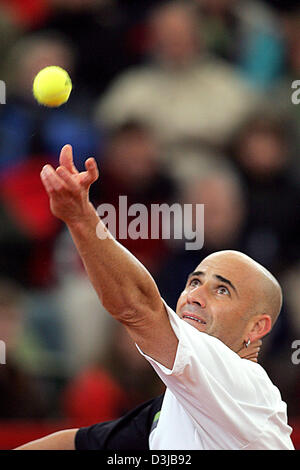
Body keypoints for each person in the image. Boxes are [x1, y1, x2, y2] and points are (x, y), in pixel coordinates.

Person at [16, 145, 294, 450]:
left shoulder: (241, 386)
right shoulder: (179, 403)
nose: (195, 296)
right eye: (194, 282)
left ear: (257, 328)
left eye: (222, 290)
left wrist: (82, 219)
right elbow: (75, 444)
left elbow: (138, 307)